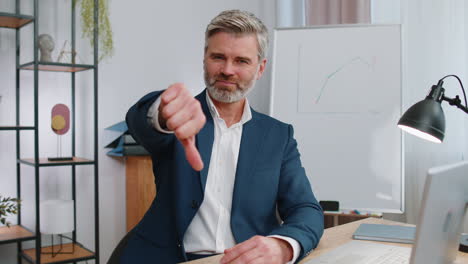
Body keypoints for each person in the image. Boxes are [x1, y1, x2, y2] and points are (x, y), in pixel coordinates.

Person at [109, 9, 324, 264]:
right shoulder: (182, 118)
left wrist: (282, 247)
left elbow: (306, 209)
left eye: (241, 61)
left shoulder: (279, 136)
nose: (227, 70)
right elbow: (140, 122)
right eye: (218, 57)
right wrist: (162, 113)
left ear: (260, 68)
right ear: (204, 58)